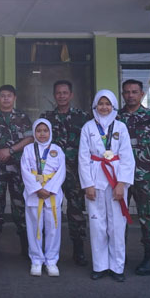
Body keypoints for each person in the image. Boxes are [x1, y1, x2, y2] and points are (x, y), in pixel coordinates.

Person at [78, 90, 135, 282]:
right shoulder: (88, 127)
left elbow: (127, 158)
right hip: (96, 178)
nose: (104, 107)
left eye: (107, 104)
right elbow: (83, 158)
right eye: (100, 103)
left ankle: (117, 267)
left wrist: (122, 184)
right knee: (97, 225)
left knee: (117, 226)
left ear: (113, 106)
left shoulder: (121, 127)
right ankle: (100, 266)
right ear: (95, 106)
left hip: (116, 178)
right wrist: (88, 185)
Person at [118, 79, 150, 275]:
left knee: (147, 217)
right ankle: (119, 256)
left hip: (144, 176)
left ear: (142, 94)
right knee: (118, 217)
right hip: (120, 177)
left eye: (134, 92)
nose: (130, 95)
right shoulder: (116, 117)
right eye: (127, 92)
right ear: (122, 95)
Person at [40, 80, 91, 266]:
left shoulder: (82, 117)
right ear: (54, 95)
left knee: (76, 212)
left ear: (71, 95)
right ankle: (47, 250)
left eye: (65, 93)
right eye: (58, 93)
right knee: (48, 210)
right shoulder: (47, 117)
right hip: (51, 174)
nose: (61, 96)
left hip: (75, 173)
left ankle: (78, 250)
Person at [0, 84, 33, 256]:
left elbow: (30, 138)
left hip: (18, 168)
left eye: (9, 96)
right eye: (2, 96)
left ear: (14, 98)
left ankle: (25, 246)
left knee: (20, 205)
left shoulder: (22, 117)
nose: (6, 99)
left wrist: (10, 150)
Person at [20, 119, 66, 277]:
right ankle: (36, 260)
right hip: (35, 194)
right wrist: (37, 189)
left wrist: (51, 189)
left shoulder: (57, 150)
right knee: (35, 227)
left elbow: (61, 171)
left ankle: (51, 260)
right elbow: (25, 171)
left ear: (50, 132)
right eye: (38, 130)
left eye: (45, 130)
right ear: (34, 132)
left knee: (53, 228)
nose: (42, 133)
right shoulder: (27, 149)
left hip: (52, 194)